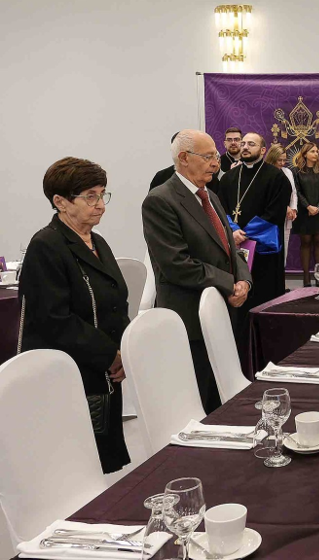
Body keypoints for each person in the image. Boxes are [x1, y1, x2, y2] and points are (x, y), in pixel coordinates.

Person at [18, 157, 130, 473]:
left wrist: (124, 352)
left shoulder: (98, 241)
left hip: (103, 371)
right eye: (90, 196)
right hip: (70, 374)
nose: (101, 205)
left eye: (103, 194)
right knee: (77, 468)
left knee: (103, 464)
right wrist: (110, 355)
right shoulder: (46, 245)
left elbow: (116, 301)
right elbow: (53, 320)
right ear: (60, 202)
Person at [143, 130, 252, 413]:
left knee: (222, 401)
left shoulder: (210, 196)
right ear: (183, 158)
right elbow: (177, 265)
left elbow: (230, 248)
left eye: (215, 155)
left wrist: (244, 280)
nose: (216, 162)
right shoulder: (161, 200)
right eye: (208, 156)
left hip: (223, 313)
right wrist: (229, 283)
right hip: (189, 319)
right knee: (197, 406)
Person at [217, 132, 292, 310]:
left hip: (264, 249)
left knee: (264, 299)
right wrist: (232, 230)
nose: (245, 147)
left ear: (263, 150)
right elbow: (220, 209)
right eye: (243, 143)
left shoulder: (277, 177)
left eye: (251, 144)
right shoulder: (228, 177)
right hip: (235, 246)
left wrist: (243, 234)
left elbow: (275, 213)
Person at [291, 142, 319, 287]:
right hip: (304, 212)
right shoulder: (297, 171)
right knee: (306, 242)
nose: (316, 153)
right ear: (305, 154)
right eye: (313, 151)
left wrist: (318, 206)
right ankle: (306, 279)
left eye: (317, 151)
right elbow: (296, 191)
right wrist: (307, 206)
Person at [264, 144, 298, 269]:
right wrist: (285, 207)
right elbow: (267, 196)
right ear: (272, 158)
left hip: (286, 218)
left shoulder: (287, 172)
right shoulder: (264, 173)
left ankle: (281, 276)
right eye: (279, 160)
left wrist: (293, 209)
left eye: (284, 160)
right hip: (269, 219)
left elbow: (293, 192)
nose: (282, 163)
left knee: (284, 249)